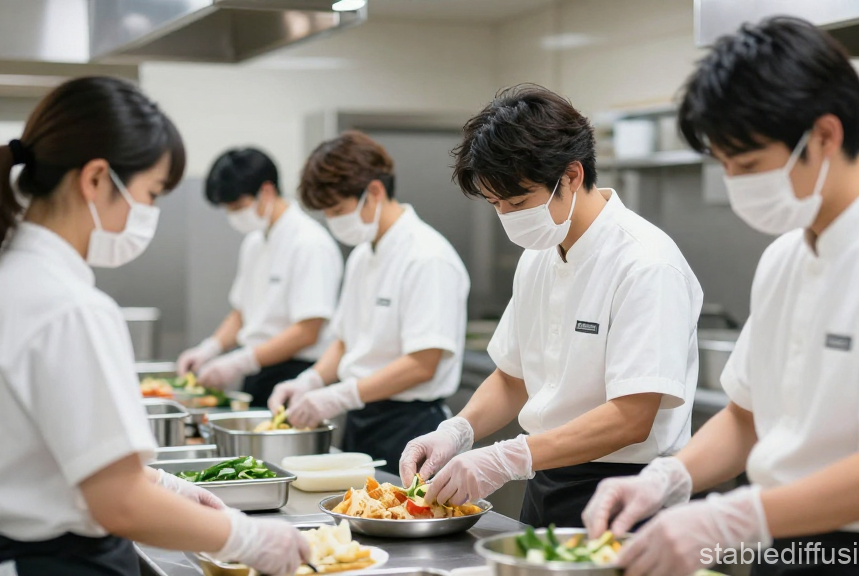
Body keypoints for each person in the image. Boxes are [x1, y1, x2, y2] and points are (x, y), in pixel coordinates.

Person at [583, 17, 859, 576]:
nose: (736, 185)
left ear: (825, 135)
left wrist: (731, 517)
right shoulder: (786, 257)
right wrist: (668, 477)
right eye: (725, 166)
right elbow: (746, 416)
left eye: (749, 165)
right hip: (781, 546)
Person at [0, 77, 308, 576]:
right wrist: (245, 537)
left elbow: (48, 454)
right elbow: (119, 504)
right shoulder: (71, 307)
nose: (149, 213)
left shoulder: (16, 274)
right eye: (150, 193)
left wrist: (159, 484)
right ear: (96, 179)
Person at [398, 85, 704, 528]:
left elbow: (632, 418)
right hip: (547, 479)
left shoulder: (646, 263)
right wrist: (457, 431)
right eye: (495, 204)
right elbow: (512, 378)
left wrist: (507, 458)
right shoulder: (539, 256)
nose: (507, 216)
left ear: (572, 176)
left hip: (629, 495)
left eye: (519, 202)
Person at [267, 131, 470, 475]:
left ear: (374, 192)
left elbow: (423, 363)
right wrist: (310, 381)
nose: (333, 222)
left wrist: (339, 396)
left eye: (338, 210)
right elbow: (345, 340)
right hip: (362, 419)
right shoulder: (363, 255)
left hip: (411, 426)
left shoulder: (427, 257)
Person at [177, 148, 343, 407]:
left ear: (266, 191)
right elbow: (241, 312)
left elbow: (308, 330)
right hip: (258, 369)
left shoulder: (309, 243)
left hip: (294, 376)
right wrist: (210, 348)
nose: (234, 216)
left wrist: (239, 361)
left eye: (238, 207)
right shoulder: (255, 242)